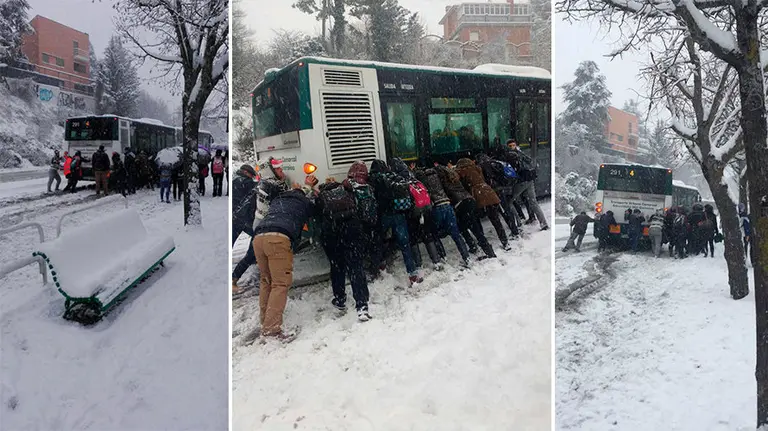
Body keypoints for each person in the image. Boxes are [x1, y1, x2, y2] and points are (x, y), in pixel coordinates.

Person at [251, 175, 319, 340]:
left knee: (266, 280)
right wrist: (315, 192)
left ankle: (265, 319)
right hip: (278, 239)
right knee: (280, 284)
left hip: (259, 238)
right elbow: (316, 209)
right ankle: (272, 328)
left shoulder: (278, 199)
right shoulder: (303, 202)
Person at [316, 177, 372, 321]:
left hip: (332, 232)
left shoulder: (321, 196)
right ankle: (362, 306)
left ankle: (340, 300)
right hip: (352, 229)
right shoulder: (346, 191)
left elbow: (317, 218)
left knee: (337, 267)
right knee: (356, 267)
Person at [368, 159, 423, 285]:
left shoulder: (376, 179)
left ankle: (378, 268)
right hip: (399, 213)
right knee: (405, 244)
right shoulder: (393, 176)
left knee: (378, 241)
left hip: (384, 215)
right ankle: (412, 274)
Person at [435, 164, 496, 259]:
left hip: (460, 204)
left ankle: (475, 247)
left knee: (463, 228)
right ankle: (487, 249)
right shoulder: (454, 175)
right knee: (473, 226)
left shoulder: (443, 181)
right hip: (469, 200)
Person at [414, 166, 471, 267]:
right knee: (456, 234)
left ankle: (442, 257)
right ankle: (466, 257)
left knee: (433, 233)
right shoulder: (437, 175)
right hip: (447, 204)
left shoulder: (423, 179)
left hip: (437, 206)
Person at [455, 157, 510, 250]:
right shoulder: (477, 168)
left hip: (478, 196)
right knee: (495, 220)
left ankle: (484, 243)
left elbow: (464, 186)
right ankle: (505, 241)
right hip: (489, 192)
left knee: (476, 220)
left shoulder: (462, 172)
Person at [498, 139, 549, 230]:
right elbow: (529, 161)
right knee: (533, 202)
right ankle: (544, 224)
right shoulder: (520, 152)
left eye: (513, 145)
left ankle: (518, 224)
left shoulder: (510, 155)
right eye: (510, 146)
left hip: (521, 182)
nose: (512, 147)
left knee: (509, 202)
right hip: (529, 180)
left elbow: (511, 171)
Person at [344, 161, 380, 279]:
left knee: (358, 247)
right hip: (371, 219)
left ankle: (359, 272)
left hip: (359, 220)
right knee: (372, 244)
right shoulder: (368, 186)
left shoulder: (349, 185)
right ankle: (375, 269)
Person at [475, 153, 521, 239]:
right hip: (501, 188)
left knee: (503, 212)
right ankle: (514, 229)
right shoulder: (493, 162)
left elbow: (487, 179)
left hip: (494, 191)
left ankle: (514, 231)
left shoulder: (483, 166)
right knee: (506, 210)